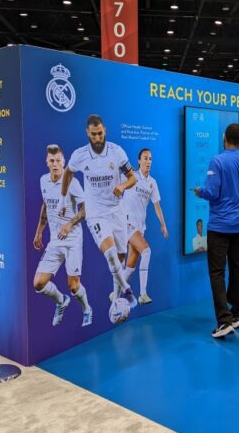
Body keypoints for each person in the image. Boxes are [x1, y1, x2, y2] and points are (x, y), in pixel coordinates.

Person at [61, 114, 138, 310]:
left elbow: (133, 178)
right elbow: (68, 172)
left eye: (100, 134)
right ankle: (128, 291)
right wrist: (63, 199)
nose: (97, 138)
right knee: (110, 253)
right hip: (96, 213)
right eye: (94, 134)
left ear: (105, 131)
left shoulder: (117, 152)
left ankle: (116, 299)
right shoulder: (80, 155)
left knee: (120, 258)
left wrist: (123, 185)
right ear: (88, 133)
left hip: (117, 211)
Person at [193, 123, 239, 339]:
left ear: (225, 138)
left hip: (219, 227)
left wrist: (200, 192)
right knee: (237, 269)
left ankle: (224, 321)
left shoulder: (217, 161)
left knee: (217, 272)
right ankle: (236, 315)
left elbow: (212, 192)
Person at [33, 145, 91, 327]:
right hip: (55, 240)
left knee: (73, 286)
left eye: (58, 160)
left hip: (73, 240)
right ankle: (61, 301)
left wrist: (69, 224)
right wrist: (39, 232)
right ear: (47, 162)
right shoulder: (43, 181)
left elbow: (86, 208)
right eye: (52, 160)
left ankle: (87, 309)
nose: (55, 164)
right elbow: (45, 206)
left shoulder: (72, 183)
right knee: (38, 283)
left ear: (64, 162)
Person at [122, 148, 169, 305]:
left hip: (140, 227)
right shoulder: (131, 176)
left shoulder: (152, 183)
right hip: (127, 224)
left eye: (150, 159)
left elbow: (157, 206)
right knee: (146, 251)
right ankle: (143, 294)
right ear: (139, 161)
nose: (148, 161)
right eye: (145, 158)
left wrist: (163, 225)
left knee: (130, 267)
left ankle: (114, 293)